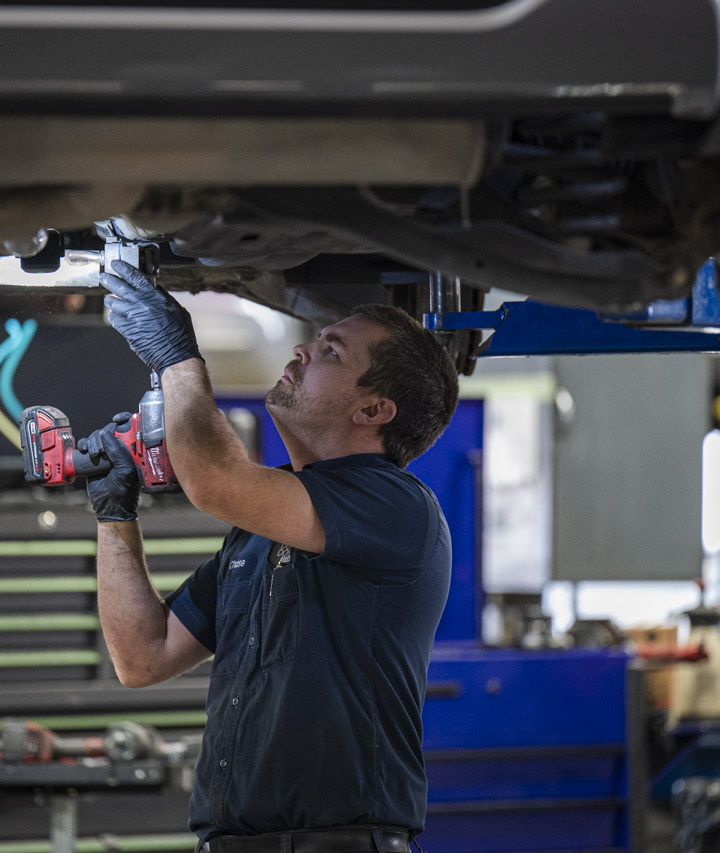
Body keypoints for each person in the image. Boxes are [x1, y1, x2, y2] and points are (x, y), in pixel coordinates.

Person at [87, 261, 460, 853]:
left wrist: (175, 358)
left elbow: (212, 479)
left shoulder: (396, 507)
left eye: (332, 352)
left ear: (373, 411)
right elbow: (142, 656)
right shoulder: (260, 530)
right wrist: (114, 516)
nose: (303, 350)